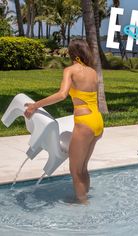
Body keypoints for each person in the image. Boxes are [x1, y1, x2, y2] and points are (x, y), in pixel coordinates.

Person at [24, 39, 104, 204]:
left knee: (75, 170)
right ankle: (84, 198)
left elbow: (62, 94)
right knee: (83, 168)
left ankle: (82, 206)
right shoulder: (93, 72)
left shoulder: (70, 70)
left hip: (84, 122)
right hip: (97, 121)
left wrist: (35, 105)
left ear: (71, 53)